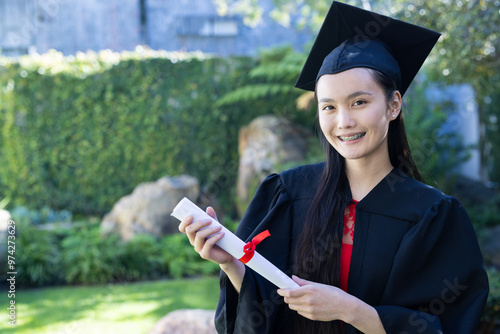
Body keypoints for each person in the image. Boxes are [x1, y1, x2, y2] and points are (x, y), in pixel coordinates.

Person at [178, 2, 489, 333]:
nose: (344, 121)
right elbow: (263, 310)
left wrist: (351, 310)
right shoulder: (287, 194)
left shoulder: (433, 215)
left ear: (394, 104)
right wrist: (231, 265)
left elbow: (450, 325)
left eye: (359, 102)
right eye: (329, 107)